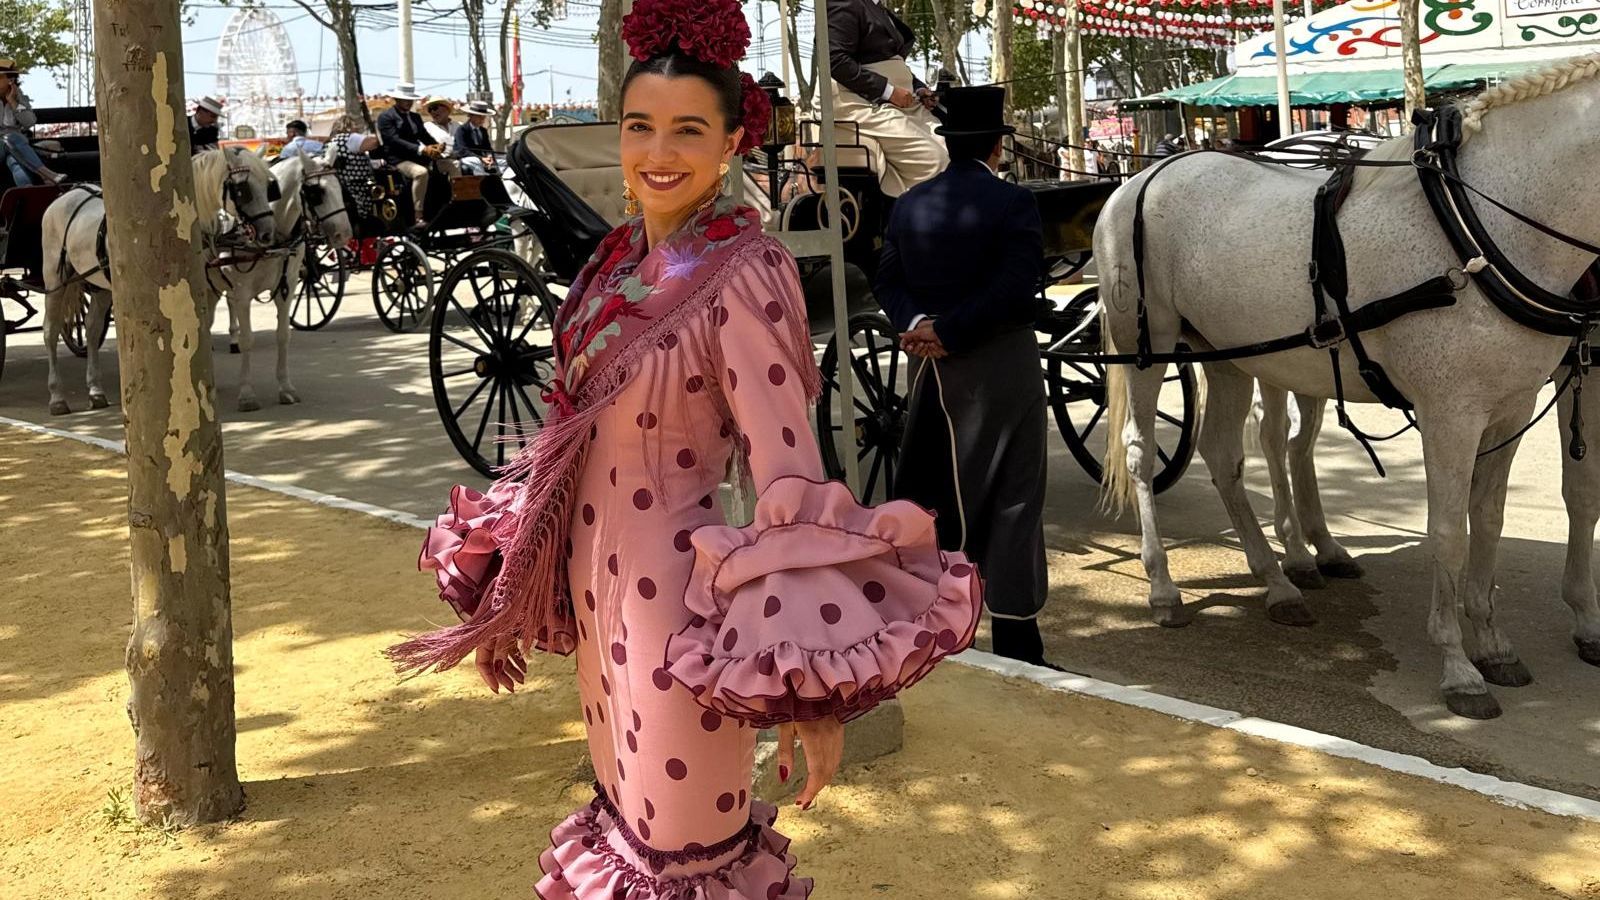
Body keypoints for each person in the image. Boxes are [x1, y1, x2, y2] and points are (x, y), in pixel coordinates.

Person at [386, 0, 982, 894]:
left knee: (684, 862)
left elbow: (787, 469)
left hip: (678, 616)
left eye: (687, 130)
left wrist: (807, 689)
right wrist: (505, 597)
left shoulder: (746, 271)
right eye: (640, 127)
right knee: (628, 834)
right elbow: (563, 446)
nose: (658, 153)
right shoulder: (613, 263)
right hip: (603, 608)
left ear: (731, 142)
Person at [873, 85, 1054, 668]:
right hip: (1000, 362)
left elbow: (886, 279)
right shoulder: (1014, 203)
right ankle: (1017, 640)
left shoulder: (910, 203)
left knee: (936, 493)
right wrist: (950, 330)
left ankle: (936, 627)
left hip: (931, 369)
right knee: (1014, 497)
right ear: (998, 148)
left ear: (948, 144)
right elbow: (1015, 287)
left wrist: (922, 324)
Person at [827, 0, 947, 196]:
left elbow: (893, 65)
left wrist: (919, 89)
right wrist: (889, 92)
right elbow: (835, 60)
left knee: (951, 146)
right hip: (860, 101)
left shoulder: (877, 6)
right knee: (934, 159)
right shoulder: (846, 2)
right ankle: (918, 219)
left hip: (901, 101)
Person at [376, 83, 458, 227]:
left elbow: (424, 136)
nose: (408, 103)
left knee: (452, 165)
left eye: (410, 100)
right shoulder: (386, 117)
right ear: (397, 99)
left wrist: (437, 146)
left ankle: (456, 202)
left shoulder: (415, 117)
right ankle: (418, 215)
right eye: (405, 100)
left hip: (418, 156)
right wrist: (422, 150)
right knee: (421, 173)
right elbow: (394, 140)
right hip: (398, 159)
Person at [0, 60, 62, 185]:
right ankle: (46, 174)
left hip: (14, 147)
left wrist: (13, 102)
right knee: (11, 138)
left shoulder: (20, 99)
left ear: (10, 80)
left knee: (15, 162)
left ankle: (28, 193)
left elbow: (29, 121)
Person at [326, 113, 381, 223]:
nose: (357, 128)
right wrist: (378, 134)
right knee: (364, 218)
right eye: (355, 125)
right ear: (349, 126)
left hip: (340, 188)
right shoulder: (351, 138)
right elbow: (374, 143)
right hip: (357, 188)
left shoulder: (330, 142)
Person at [452, 100, 497, 175]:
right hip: (467, 158)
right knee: (475, 161)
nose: (482, 119)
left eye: (484, 116)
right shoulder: (462, 130)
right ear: (471, 116)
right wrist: (481, 158)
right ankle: (483, 179)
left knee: (503, 161)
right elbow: (462, 150)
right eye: (479, 116)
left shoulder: (483, 131)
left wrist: (490, 156)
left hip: (481, 159)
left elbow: (488, 148)